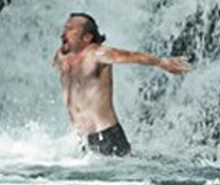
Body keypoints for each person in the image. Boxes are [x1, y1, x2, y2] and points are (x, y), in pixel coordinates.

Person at [53, 12, 190, 156]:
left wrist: (162, 62)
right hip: (80, 140)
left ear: (87, 37)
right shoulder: (62, 57)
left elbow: (131, 56)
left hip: (106, 137)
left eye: (70, 29)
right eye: (65, 28)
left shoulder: (98, 54)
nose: (63, 33)